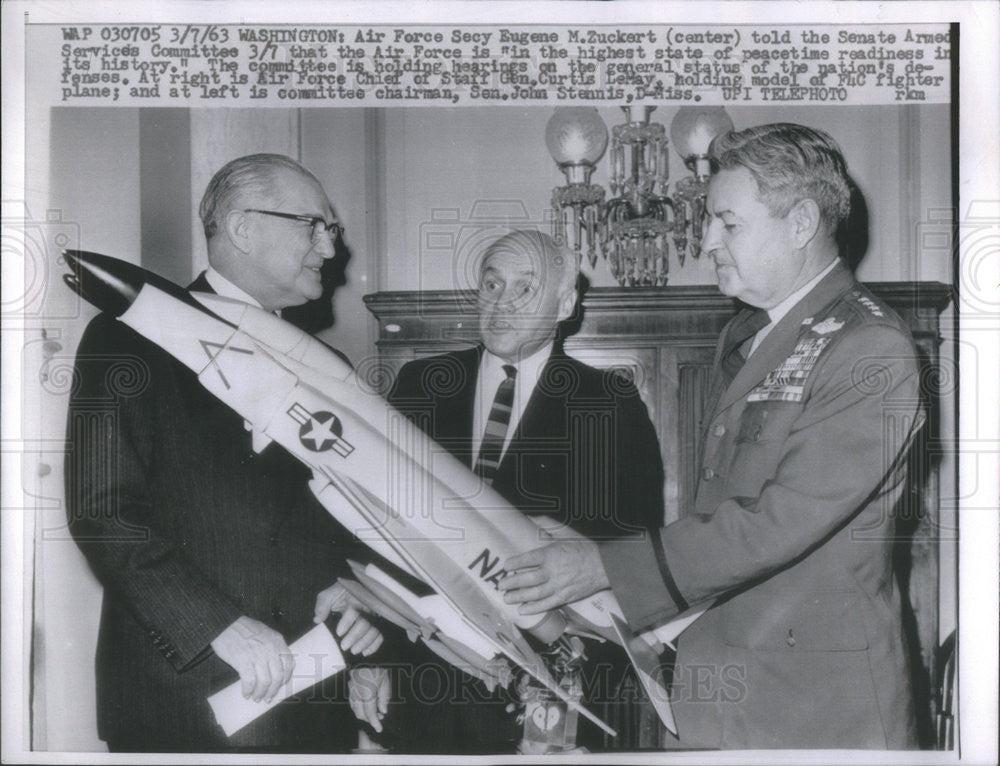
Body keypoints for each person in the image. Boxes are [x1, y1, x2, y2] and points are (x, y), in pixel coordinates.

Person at [500, 124, 924, 749]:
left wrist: (604, 566)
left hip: (816, 705)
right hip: (723, 683)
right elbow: (719, 510)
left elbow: (774, 521)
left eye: (728, 223)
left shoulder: (870, 348)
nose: (706, 242)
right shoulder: (750, 335)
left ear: (801, 223)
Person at [65, 154, 384, 752]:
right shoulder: (129, 337)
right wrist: (220, 626)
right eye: (312, 225)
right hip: (179, 709)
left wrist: (361, 605)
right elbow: (104, 513)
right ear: (242, 229)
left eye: (332, 229)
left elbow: (346, 526)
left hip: (312, 709)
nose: (330, 248)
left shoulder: (332, 372)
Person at [375, 229, 664, 752]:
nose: (502, 303)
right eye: (491, 284)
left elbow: (631, 553)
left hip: (543, 691)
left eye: (524, 289)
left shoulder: (609, 403)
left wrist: (568, 687)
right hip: (423, 684)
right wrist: (373, 660)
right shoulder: (420, 384)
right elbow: (375, 525)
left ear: (566, 302)